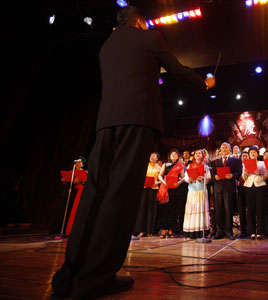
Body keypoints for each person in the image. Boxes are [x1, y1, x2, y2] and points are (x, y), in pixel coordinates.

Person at [51, 6, 215, 300]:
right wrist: (204, 83)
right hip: (137, 120)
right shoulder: (150, 37)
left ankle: (71, 272)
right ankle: (97, 278)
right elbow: (176, 69)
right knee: (121, 195)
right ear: (139, 21)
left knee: (95, 193)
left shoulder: (106, 47)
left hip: (105, 125)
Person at [211, 142, 242, 240]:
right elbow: (211, 175)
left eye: (226, 147)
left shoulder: (235, 160)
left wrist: (232, 175)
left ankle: (229, 232)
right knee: (218, 211)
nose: (224, 149)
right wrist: (215, 177)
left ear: (230, 149)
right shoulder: (215, 161)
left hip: (229, 188)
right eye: (222, 148)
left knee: (229, 210)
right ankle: (219, 231)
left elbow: (239, 172)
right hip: (218, 188)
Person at [132, 152, 161, 240]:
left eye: (154, 156)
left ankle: (149, 231)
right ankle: (141, 230)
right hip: (145, 188)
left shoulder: (159, 168)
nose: (152, 157)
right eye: (150, 156)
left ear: (157, 158)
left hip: (154, 189)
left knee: (151, 209)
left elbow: (162, 178)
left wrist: (157, 182)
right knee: (142, 208)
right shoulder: (145, 166)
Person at [183, 149, 211, 239]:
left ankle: (201, 232)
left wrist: (202, 178)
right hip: (192, 190)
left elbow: (208, 177)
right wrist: (189, 179)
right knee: (192, 210)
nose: (198, 155)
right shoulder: (189, 166)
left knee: (201, 210)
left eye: (199, 153)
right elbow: (185, 177)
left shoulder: (205, 166)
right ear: (194, 156)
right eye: (196, 153)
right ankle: (191, 233)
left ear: (202, 155)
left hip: (201, 190)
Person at [157, 149, 185, 238]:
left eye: (175, 154)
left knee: (173, 209)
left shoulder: (179, 166)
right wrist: (163, 182)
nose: (173, 155)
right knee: (165, 209)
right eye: (172, 154)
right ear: (169, 156)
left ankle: (171, 229)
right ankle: (164, 229)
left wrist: (179, 183)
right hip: (165, 188)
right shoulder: (165, 164)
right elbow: (159, 176)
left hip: (175, 189)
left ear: (177, 157)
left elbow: (183, 178)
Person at [242, 146, 268, 240]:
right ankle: (252, 232)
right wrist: (245, 174)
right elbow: (243, 177)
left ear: (257, 154)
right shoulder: (245, 163)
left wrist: (260, 173)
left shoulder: (262, 163)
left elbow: (266, 175)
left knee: (260, 208)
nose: (252, 154)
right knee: (250, 209)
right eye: (251, 152)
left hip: (259, 185)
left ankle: (260, 232)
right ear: (249, 154)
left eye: (254, 152)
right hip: (249, 185)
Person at [236, 151, 249, 238]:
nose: (244, 157)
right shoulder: (238, 166)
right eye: (243, 156)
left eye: (246, 156)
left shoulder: (252, 165)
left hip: (250, 188)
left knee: (250, 209)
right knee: (241, 210)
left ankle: (251, 229)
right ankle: (243, 230)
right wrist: (236, 181)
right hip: (240, 189)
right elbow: (236, 176)